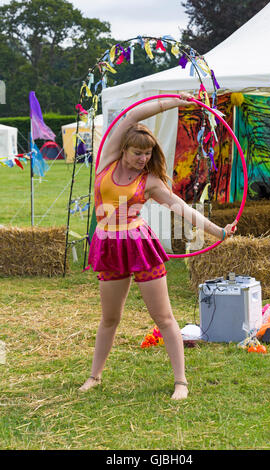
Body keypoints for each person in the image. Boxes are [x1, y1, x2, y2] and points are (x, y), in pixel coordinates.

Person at [79, 94, 237, 399]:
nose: (143, 158)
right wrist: (175, 101)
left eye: (148, 153)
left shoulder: (149, 180)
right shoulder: (108, 160)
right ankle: (94, 376)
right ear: (124, 149)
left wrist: (219, 231)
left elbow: (181, 207)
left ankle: (181, 382)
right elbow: (133, 113)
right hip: (109, 246)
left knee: (163, 317)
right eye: (138, 153)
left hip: (139, 246)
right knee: (110, 318)